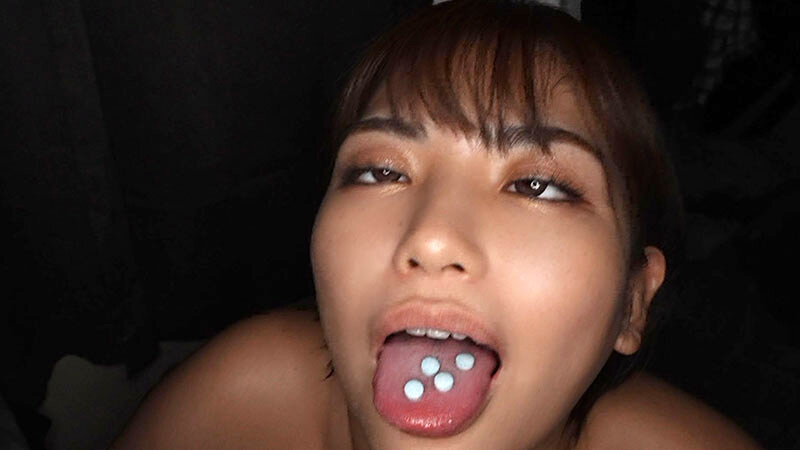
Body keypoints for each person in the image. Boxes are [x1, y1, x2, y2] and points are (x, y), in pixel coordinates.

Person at [112, 1, 762, 448]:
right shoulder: (231, 403)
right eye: (380, 172)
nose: (431, 237)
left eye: (537, 185)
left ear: (632, 303)